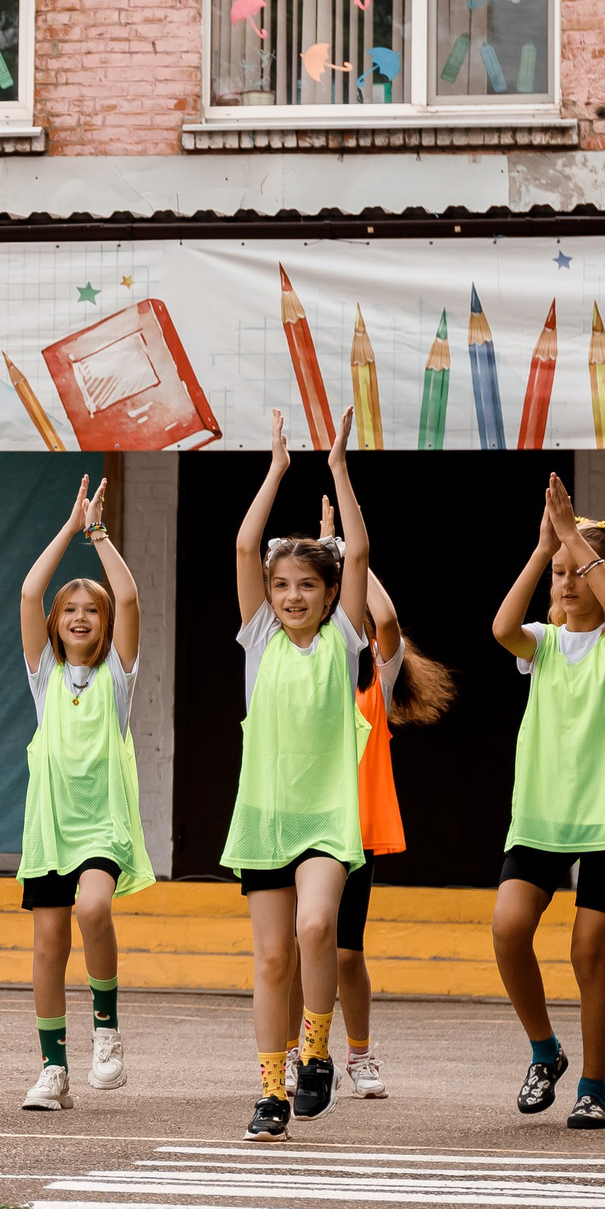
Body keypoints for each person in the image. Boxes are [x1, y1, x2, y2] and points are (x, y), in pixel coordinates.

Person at [279, 499, 456, 1103]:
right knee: (297, 946)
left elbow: (386, 620)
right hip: (300, 823)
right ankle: (301, 1057)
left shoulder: (372, 675)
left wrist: (344, 555)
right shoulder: (300, 664)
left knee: (346, 953)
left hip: (354, 828)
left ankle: (358, 1053)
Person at [226, 407, 371, 1141]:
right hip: (265, 818)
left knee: (318, 926)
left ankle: (316, 1050)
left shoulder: (343, 639)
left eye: (306, 585)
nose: (290, 596)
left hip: (326, 817)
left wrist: (338, 470)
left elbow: (361, 550)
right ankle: (271, 1090)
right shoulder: (259, 639)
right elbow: (248, 541)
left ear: (327, 591)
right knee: (273, 955)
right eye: (281, 585)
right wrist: (277, 466)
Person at [489, 475, 605, 1131]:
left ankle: (593, 1084)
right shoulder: (543, 643)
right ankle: (544, 1051)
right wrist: (542, 548)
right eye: (559, 571)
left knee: (589, 952)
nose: (566, 579)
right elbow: (500, 627)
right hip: (543, 816)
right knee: (507, 927)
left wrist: (576, 540)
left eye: (578, 569)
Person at [11, 476, 155, 1112]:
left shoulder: (117, 679)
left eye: (89, 610)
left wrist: (97, 535)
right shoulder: (44, 677)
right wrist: (67, 528)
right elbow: (27, 590)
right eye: (69, 610)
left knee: (93, 910)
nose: (78, 616)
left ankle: (107, 1028)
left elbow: (127, 594)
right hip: (49, 829)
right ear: (55, 624)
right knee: (47, 946)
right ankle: (52, 1071)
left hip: (100, 826)